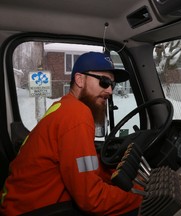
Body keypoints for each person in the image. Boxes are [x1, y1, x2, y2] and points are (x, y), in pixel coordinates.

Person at [0, 52, 143, 215]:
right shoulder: (77, 115)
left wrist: (110, 172)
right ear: (80, 80)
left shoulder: (63, 107)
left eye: (112, 84)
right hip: (38, 211)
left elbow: (80, 162)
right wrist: (140, 197)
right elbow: (91, 198)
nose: (110, 90)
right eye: (104, 81)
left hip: (21, 206)